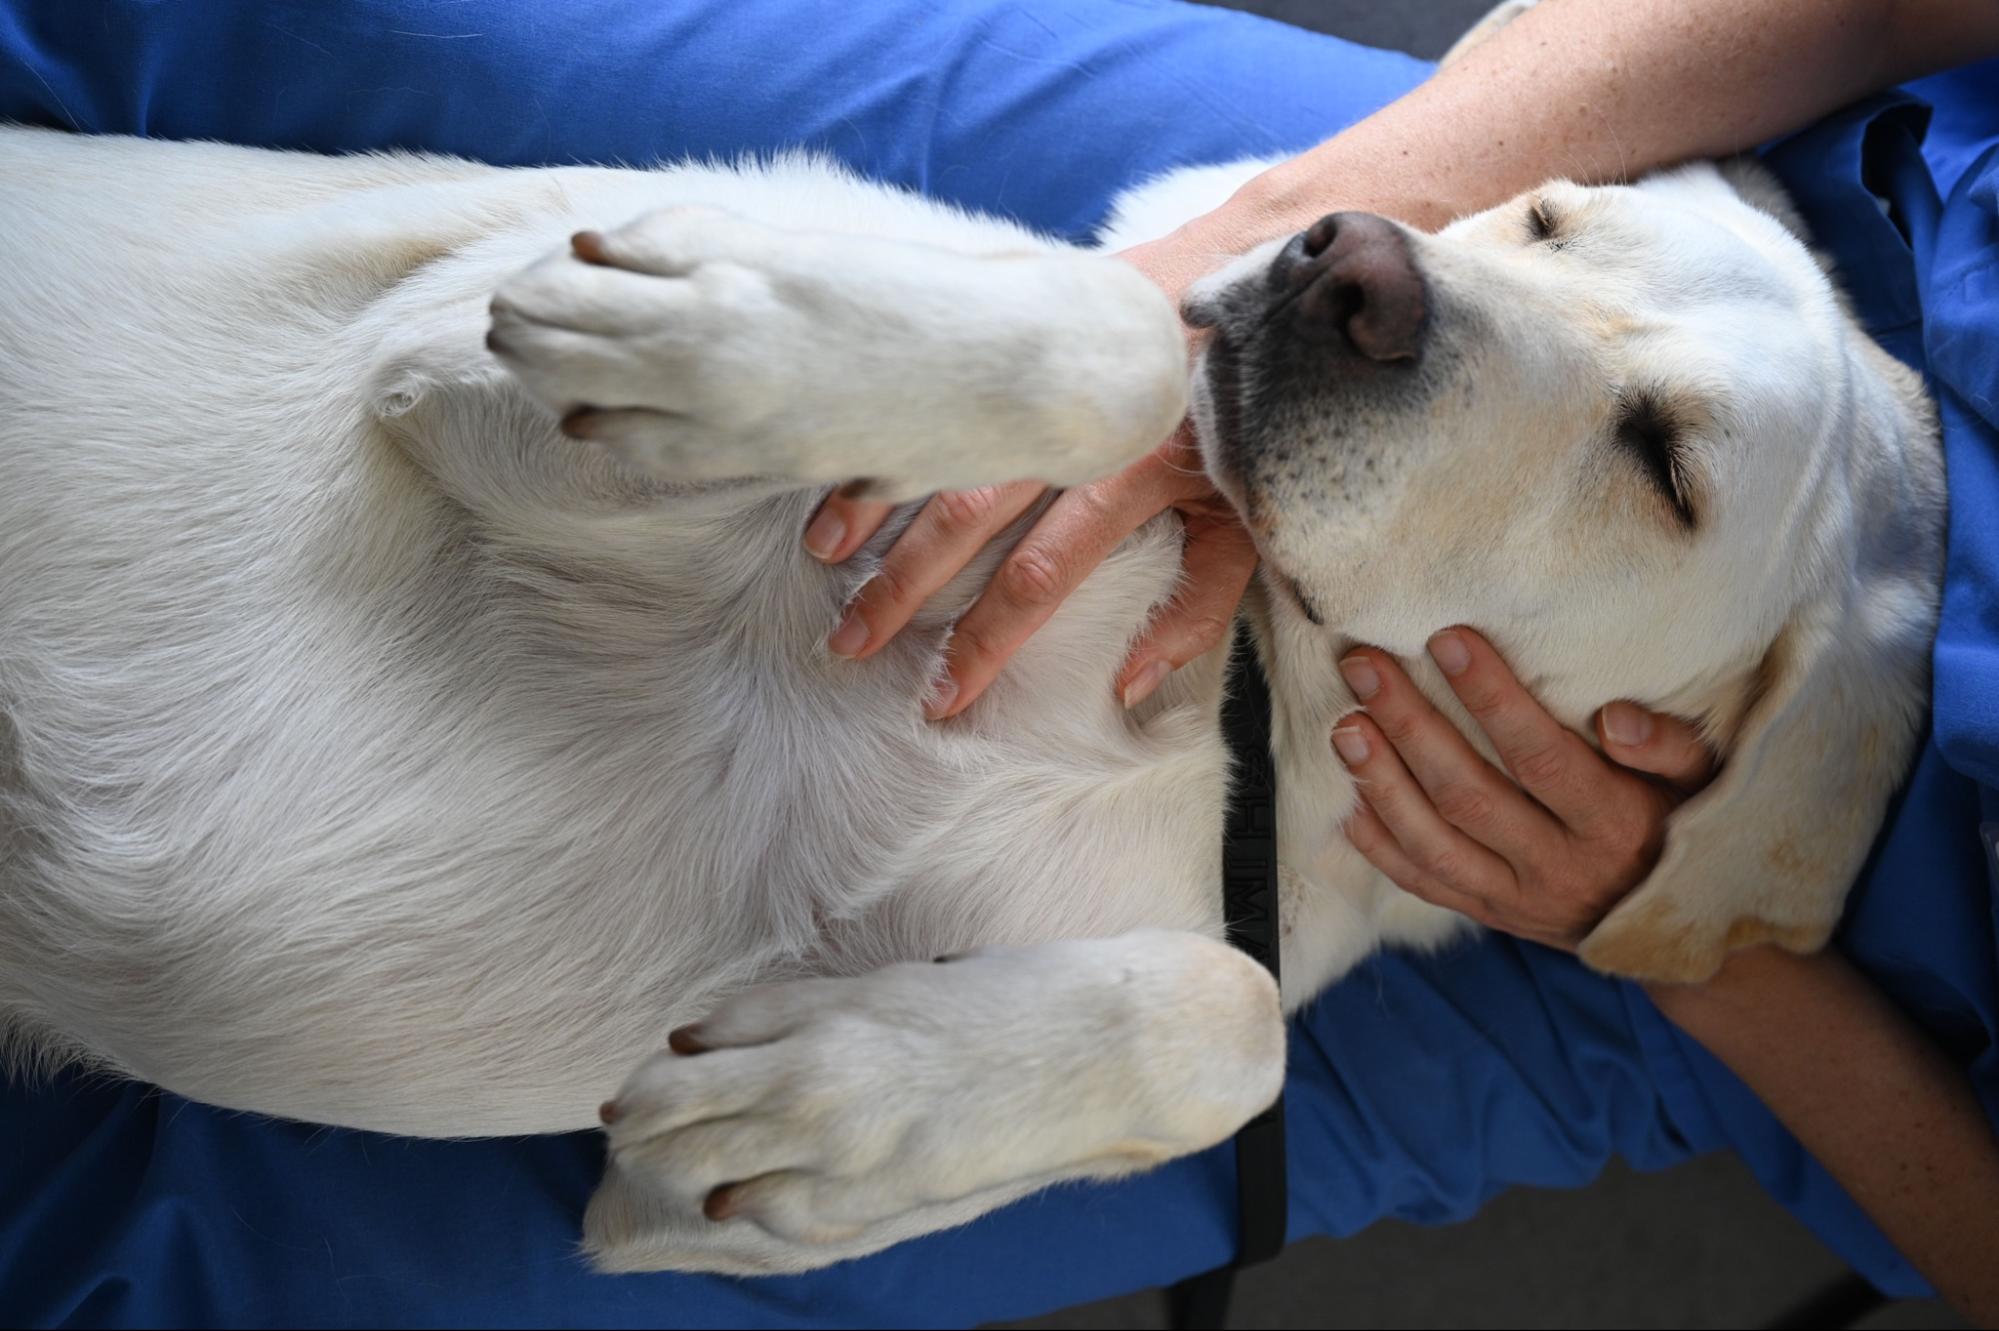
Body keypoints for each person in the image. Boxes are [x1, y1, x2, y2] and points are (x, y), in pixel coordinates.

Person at [802, 0, 1999, 1322]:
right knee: (583, 74)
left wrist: (1697, 950)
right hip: (1681, 213)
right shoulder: (1404, 260)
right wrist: (1271, 222)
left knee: (759, 1200)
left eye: (1670, 468)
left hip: (1777, 1007)